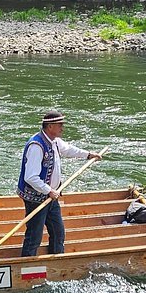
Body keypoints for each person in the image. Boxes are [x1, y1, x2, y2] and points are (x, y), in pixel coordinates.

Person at [17, 110, 101, 257]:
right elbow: (30, 177)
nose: (62, 127)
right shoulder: (37, 146)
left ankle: (57, 261)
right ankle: (26, 265)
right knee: (34, 236)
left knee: (58, 232)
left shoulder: (54, 141)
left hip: (51, 197)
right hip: (36, 199)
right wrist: (49, 190)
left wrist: (88, 155)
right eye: (59, 124)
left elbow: (68, 150)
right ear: (50, 126)